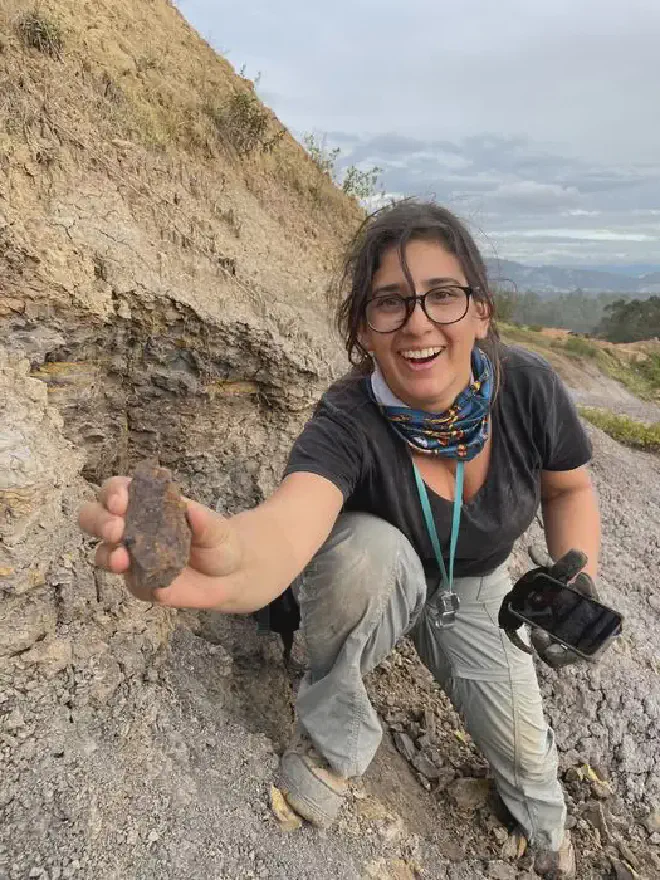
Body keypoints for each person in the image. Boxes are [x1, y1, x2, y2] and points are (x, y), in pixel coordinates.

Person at [79, 200, 601, 879]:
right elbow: (287, 523)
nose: (418, 322)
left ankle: (543, 827)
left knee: (531, 760)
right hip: (378, 575)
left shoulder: (526, 386)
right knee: (366, 550)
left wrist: (575, 573)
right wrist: (230, 558)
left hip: (477, 585)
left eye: (442, 296)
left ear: (480, 311)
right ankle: (334, 742)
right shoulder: (349, 417)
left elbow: (570, 489)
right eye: (390, 303)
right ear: (364, 328)